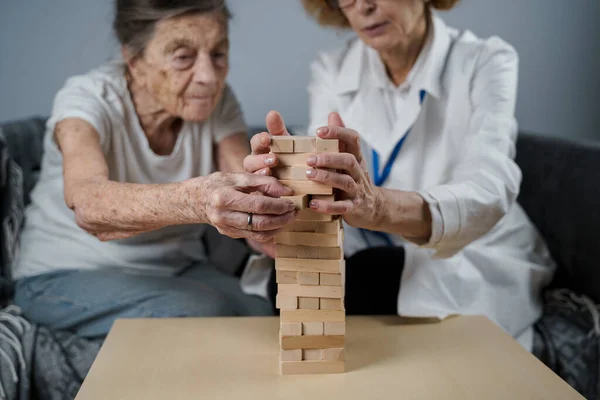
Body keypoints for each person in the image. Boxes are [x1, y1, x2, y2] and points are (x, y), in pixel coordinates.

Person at [244, 0, 556, 351]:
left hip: (467, 247)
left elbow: (491, 185)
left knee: (367, 283)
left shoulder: (484, 60)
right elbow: (320, 185)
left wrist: (379, 208)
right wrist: (287, 182)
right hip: (366, 245)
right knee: (290, 285)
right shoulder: (333, 69)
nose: (364, 6)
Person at [12, 0, 295, 339]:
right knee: (205, 314)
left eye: (218, 54)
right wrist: (196, 199)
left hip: (176, 269)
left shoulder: (217, 102)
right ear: (134, 61)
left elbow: (246, 179)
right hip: (65, 272)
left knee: (261, 316)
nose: (207, 77)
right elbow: (88, 204)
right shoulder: (86, 99)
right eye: (183, 57)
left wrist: (275, 215)